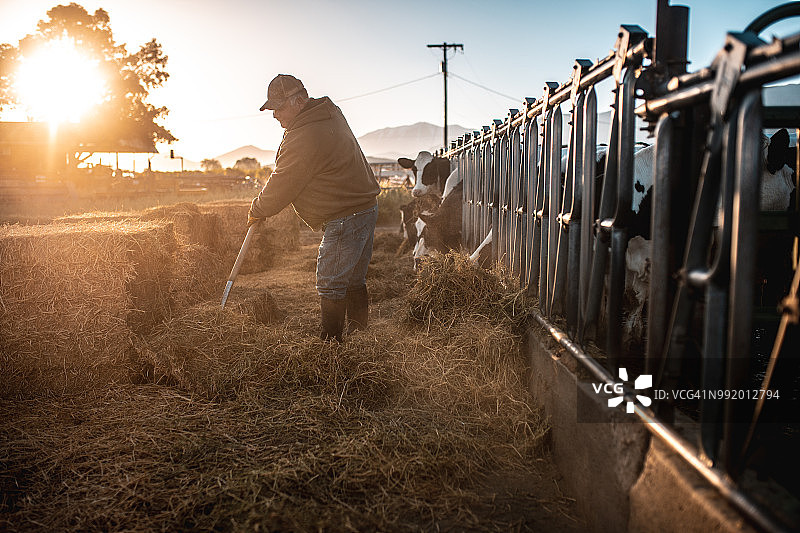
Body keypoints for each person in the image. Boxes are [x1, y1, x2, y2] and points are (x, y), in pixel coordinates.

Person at [248, 74, 380, 341]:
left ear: (300, 100)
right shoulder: (328, 113)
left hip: (346, 214)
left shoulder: (306, 134)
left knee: (330, 281)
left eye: (279, 107)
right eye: (272, 108)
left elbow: (284, 181)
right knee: (353, 278)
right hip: (363, 206)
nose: (275, 114)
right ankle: (361, 337)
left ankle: (331, 346)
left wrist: (258, 209)